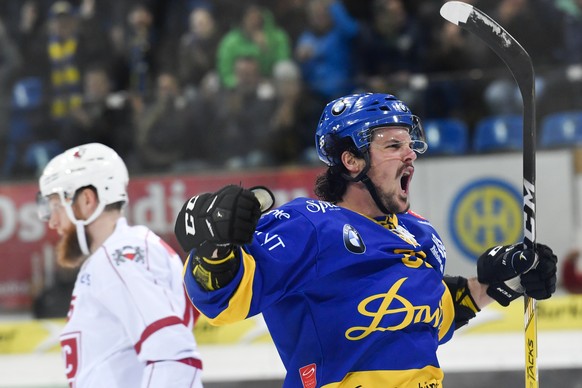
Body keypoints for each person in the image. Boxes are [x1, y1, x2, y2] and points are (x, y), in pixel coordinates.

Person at [174, 92, 557, 387]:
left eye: (410, 144)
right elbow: (221, 300)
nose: (410, 155)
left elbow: (430, 320)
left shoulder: (421, 235)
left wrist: (497, 282)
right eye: (393, 145)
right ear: (351, 161)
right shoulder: (308, 225)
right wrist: (216, 248)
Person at [37, 143, 203, 388]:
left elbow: (173, 356)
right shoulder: (118, 255)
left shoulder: (120, 256)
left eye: (55, 205)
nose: (52, 221)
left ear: (86, 200)